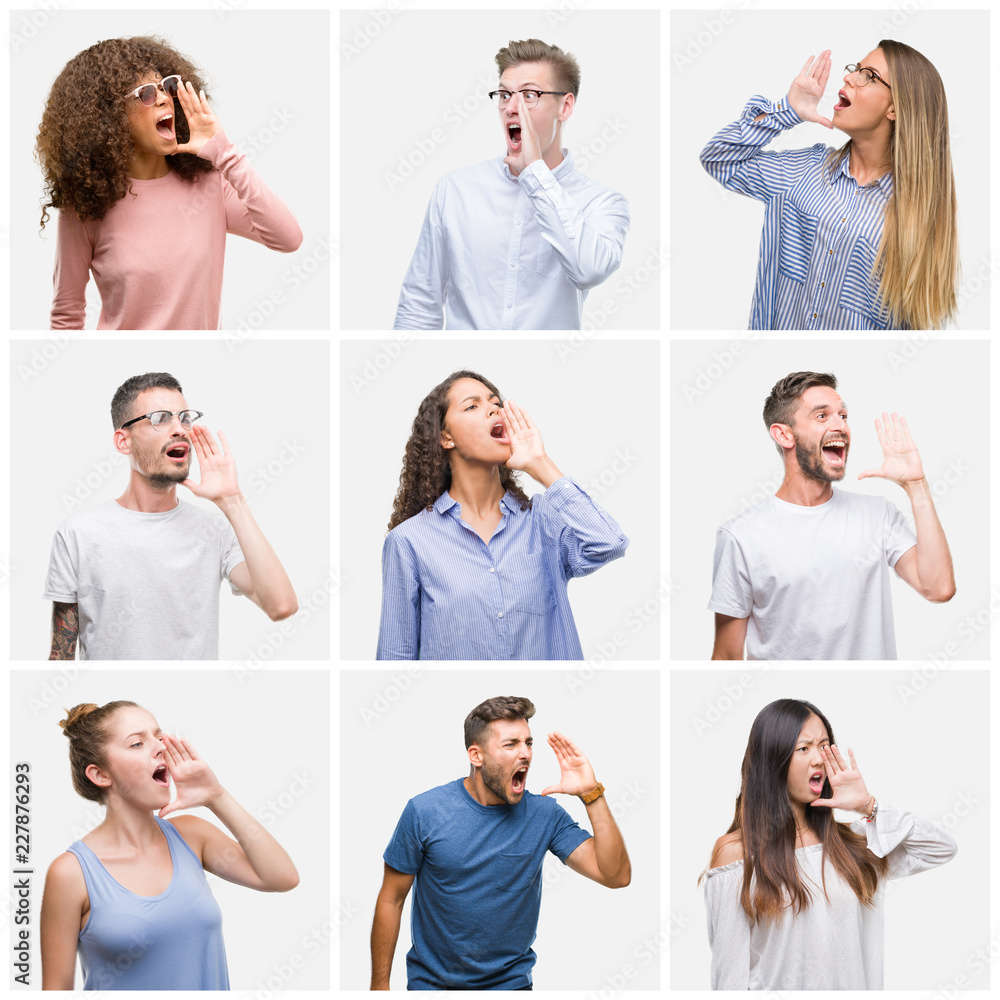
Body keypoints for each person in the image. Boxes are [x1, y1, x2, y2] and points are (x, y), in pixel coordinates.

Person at [37, 36, 302, 330]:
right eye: (146, 93)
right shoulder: (86, 206)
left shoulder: (210, 185)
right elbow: (66, 317)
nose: (164, 98)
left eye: (167, 86)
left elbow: (288, 239)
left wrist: (225, 154)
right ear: (108, 117)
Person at [371, 696, 630, 990]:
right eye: (511, 744)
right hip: (432, 987)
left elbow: (616, 875)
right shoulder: (424, 811)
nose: (526, 754)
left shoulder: (545, 815)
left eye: (528, 743)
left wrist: (591, 794)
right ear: (476, 755)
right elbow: (391, 899)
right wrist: (379, 988)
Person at [40, 701, 299, 989]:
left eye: (158, 736)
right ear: (100, 775)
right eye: (137, 743)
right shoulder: (70, 873)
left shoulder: (191, 835)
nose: (160, 746)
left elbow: (281, 877)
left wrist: (216, 796)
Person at [700, 41, 957, 330]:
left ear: (895, 108)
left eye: (868, 75)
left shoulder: (916, 215)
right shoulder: (803, 171)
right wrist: (788, 111)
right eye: (855, 69)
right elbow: (719, 159)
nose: (849, 77)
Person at [702, 698, 956, 989]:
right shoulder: (737, 853)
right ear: (773, 761)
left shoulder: (852, 843)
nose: (819, 758)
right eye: (803, 748)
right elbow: (730, 976)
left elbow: (941, 848)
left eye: (824, 746)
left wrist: (868, 806)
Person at [44, 372, 298, 659]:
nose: (180, 429)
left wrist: (232, 501)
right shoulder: (78, 532)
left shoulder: (215, 529)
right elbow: (61, 658)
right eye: (161, 418)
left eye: (185, 418)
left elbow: (281, 606)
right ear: (123, 442)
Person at [377, 371, 628, 659]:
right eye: (472, 406)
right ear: (446, 438)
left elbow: (610, 543)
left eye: (496, 403)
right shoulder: (409, 541)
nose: (493, 408)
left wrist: (539, 463)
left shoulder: (543, 520)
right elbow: (395, 656)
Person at [709, 371, 954, 660]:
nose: (840, 426)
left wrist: (916, 486)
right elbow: (726, 656)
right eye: (822, 417)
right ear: (784, 434)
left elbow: (938, 588)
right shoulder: (741, 535)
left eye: (843, 415)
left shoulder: (878, 515)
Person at [393, 38, 630, 330]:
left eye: (529, 94)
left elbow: (588, 270)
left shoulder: (602, 202)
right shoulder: (454, 190)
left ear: (565, 106)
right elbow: (419, 304)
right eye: (505, 95)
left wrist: (535, 173)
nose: (511, 107)